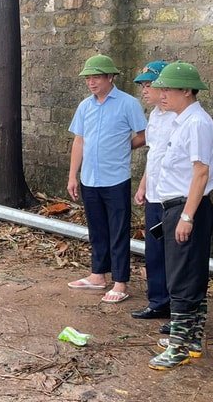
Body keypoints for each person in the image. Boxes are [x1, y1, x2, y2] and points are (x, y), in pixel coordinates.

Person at [147, 61, 213, 370]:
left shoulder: (197, 123)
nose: (161, 94)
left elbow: (200, 173)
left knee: (182, 279)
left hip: (188, 208)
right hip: (178, 207)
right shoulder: (182, 120)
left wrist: (187, 217)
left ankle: (178, 346)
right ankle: (190, 339)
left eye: (168, 89)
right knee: (190, 274)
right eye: (160, 89)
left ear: (187, 91)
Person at [66, 54, 147, 303]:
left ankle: (120, 282)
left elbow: (144, 135)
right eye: (88, 78)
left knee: (118, 231)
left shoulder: (128, 103)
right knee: (97, 229)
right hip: (90, 178)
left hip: (116, 178)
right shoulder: (85, 106)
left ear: (110, 77)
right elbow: (79, 141)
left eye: (97, 77)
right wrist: (73, 176)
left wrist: (125, 147)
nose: (91, 83)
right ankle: (97, 275)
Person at [132, 61, 174, 321]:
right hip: (155, 194)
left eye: (149, 85)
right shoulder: (155, 115)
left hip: (173, 197)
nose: (144, 91)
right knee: (154, 250)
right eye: (143, 86)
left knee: (174, 253)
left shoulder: (179, 117)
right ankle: (157, 301)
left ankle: (177, 306)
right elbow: (154, 154)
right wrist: (144, 184)